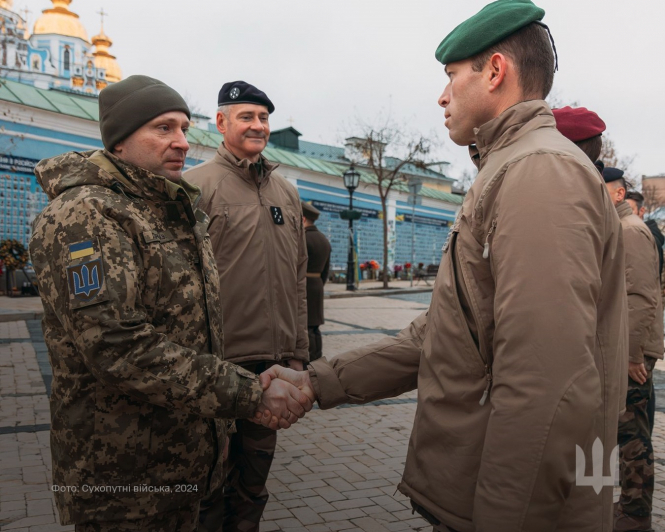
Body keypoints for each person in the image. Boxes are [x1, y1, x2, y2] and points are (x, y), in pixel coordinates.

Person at [259, 1, 628, 530]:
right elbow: (447, 334)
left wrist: (502, 518)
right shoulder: (509, 168)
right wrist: (319, 381)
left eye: (453, 75)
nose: (442, 94)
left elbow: (546, 382)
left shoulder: (537, 173)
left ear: (495, 71)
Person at [28, 75, 311, 532]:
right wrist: (249, 392)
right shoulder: (86, 215)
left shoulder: (163, 206)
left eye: (183, 127)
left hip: (179, 452)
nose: (181, 142)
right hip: (123, 471)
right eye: (163, 129)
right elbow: (117, 346)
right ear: (119, 141)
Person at [184, 81, 308, 532]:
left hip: (271, 368)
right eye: (246, 117)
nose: (258, 126)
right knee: (209, 483)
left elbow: (297, 276)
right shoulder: (194, 186)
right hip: (215, 363)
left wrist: (297, 352)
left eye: (263, 118)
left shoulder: (286, 193)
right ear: (221, 123)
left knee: (254, 479)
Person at [603, 167, 663, 532]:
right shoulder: (619, 229)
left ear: (619, 195)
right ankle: (627, 504)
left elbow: (641, 298)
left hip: (632, 349)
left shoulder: (630, 231)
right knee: (625, 432)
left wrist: (631, 355)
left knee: (633, 436)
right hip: (625, 345)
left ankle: (636, 514)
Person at [302, 201, 331, 362]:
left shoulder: (303, 239)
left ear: (303, 219)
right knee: (315, 325)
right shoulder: (323, 239)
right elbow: (326, 269)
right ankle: (318, 357)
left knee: (307, 325)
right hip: (317, 284)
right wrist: (319, 283)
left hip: (305, 285)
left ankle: (311, 359)